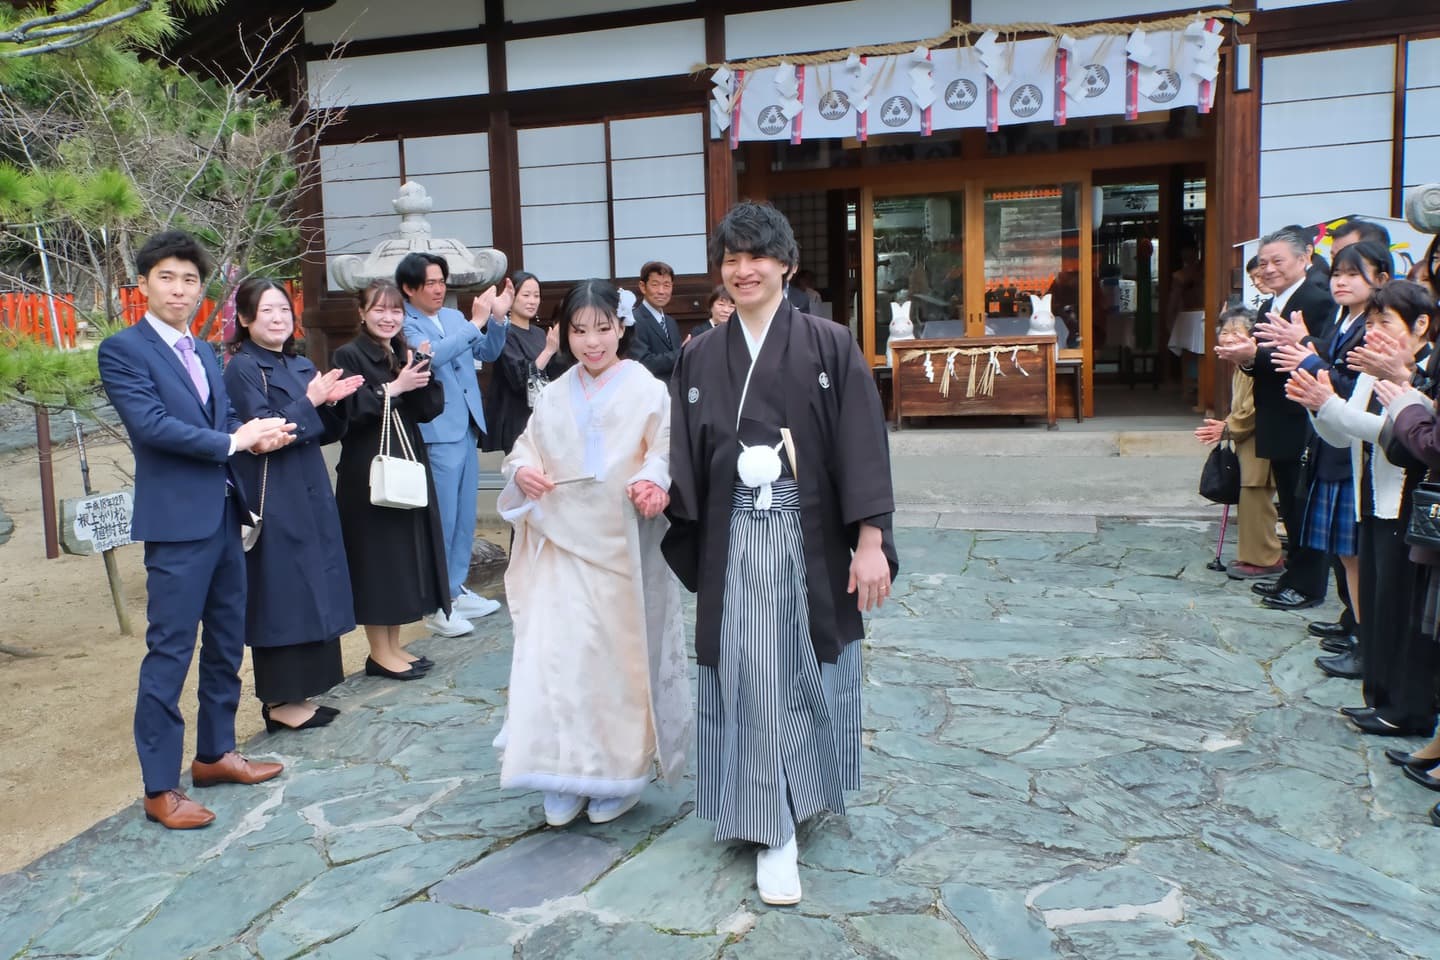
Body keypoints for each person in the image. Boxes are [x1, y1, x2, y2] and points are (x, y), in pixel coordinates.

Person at [664, 202, 899, 906]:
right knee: (750, 675)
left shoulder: (829, 343)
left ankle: (784, 818)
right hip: (733, 538)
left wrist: (870, 540)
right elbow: (682, 453)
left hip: (805, 535)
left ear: (787, 264)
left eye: (757, 256)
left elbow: (863, 443)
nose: (743, 270)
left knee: (799, 670)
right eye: (731, 258)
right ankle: (768, 820)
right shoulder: (700, 354)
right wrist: (656, 493)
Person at [97, 230, 292, 829]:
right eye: (167, 277)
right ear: (143, 284)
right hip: (177, 525)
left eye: (189, 279)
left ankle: (215, 754)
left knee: (227, 641)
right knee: (170, 651)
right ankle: (160, 788)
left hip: (224, 514)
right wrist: (234, 441)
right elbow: (151, 425)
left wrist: (256, 435)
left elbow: (225, 418)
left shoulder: (205, 351)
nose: (179, 289)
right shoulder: (123, 350)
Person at [495, 280, 690, 828]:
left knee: (614, 662)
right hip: (560, 541)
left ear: (621, 328)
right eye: (579, 331)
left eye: (603, 329)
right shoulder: (556, 392)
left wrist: (653, 480)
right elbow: (524, 450)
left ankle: (616, 774)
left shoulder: (647, 388)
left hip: (620, 544)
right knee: (554, 659)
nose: (592, 342)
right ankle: (559, 772)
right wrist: (523, 472)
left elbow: (665, 449)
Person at [1290, 279, 1435, 737]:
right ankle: (1380, 699)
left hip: (1406, 505)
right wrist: (1318, 405)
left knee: (1400, 611)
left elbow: (1398, 436)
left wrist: (1331, 405)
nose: (1373, 332)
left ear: (1421, 325)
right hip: (1368, 498)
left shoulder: (1423, 372)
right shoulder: (1373, 372)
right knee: (1375, 601)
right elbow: (1341, 435)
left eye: (1385, 322)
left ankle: (1405, 709)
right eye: (1370, 323)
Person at [223, 278, 363, 732]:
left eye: (284, 309)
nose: (278, 318)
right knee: (281, 590)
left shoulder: (300, 363)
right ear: (245, 319)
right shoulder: (243, 369)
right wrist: (311, 401)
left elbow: (325, 431)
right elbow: (265, 432)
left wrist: (334, 405)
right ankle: (280, 701)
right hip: (274, 491)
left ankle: (305, 692)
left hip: (310, 486)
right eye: (266, 310)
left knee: (314, 584)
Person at [1269, 241, 1395, 676]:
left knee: (1356, 554)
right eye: (1337, 272)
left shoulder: (1370, 327)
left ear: (1381, 278)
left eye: (1353, 273)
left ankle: (1364, 639)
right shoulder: (1344, 319)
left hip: (1357, 447)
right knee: (1346, 554)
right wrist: (1308, 348)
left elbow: (1348, 384)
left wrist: (1306, 354)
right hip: (1334, 439)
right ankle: (1354, 624)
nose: (1341, 281)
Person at [333, 280, 450, 681]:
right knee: (377, 559)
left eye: (396, 310)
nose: (388, 317)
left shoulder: (403, 351)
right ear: (362, 313)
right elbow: (348, 411)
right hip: (367, 470)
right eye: (379, 310)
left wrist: (422, 371)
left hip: (406, 460)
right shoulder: (347, 354)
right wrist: (393, 388)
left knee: (401, 556)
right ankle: (379, 652)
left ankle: (393, 645)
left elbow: (428, 409)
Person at [1217, 228, 1335, 612]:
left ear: (1304, 258)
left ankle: (1308, 585)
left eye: (1277, 261)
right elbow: (1263, 363)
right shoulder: (1271, 304)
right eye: (1263, 262)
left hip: (1302, 418)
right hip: (1276, 417)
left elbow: (1313, 360)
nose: (1268, 269)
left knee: (1303, 507)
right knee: (1290, 504)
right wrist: (1247, 359)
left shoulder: (1316, 301)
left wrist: (1254, 355)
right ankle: (1293, 577)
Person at [398, 252, 513, 636]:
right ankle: (437, 601)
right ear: (408, 288)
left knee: (464, 516)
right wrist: (477, 322)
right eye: (429, 283)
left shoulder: (451, 316)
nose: (438, 289)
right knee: (443, 518)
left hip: (465, 427)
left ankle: (456, 588)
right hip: (436, 431)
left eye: (441, 281)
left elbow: (488, 352)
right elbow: (429, 358)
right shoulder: (405, 322)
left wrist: (497, 320)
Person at [1195, 307, 1282, 578]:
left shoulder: (1255, 365)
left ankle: (1266, 558)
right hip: (1247, 441)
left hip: (1259, 441)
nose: (1229, 337)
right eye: (1225, 332)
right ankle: (1253, 555)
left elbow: (1253, 408)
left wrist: (1228, 427)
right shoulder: (1241, 365)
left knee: (1256, 497)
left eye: (1237, 331)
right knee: (1248, 498)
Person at [482, 271, 566, 456]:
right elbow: (519, 381)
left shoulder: (539, 333)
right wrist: (548, 351)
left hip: (541, 415)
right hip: (516, 417)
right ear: (511, 298)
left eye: (536, 296)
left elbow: (552, 373)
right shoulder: (504, 332)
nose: (532, 301)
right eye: (526, 295)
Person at [629, 260, 685, 380]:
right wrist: (682, 353)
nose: (661, 291)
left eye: (666, 285)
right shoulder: (633, 320)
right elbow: (644, 363)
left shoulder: (671, 322)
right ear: (643, 287)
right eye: (655, 285)